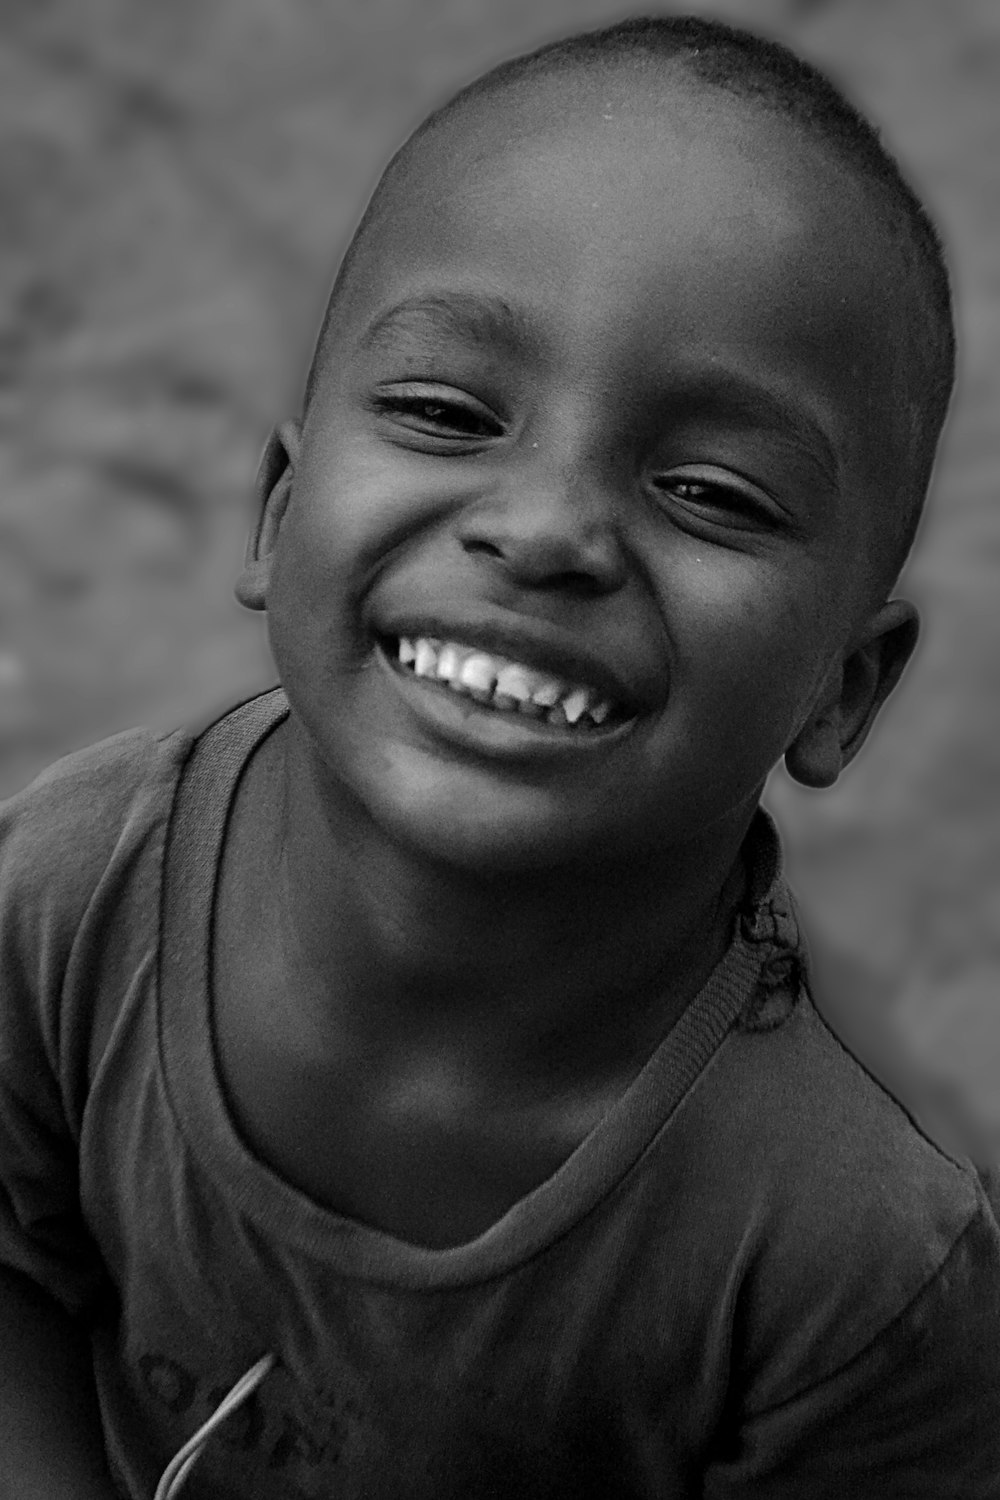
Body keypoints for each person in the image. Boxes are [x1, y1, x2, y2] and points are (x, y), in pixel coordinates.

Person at [1, 15, 998, 1499]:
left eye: (714, 492)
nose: (543, 532)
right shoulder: (73, 889)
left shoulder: (855, 1266)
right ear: (279, 516)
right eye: (445, 411)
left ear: (841, 691)